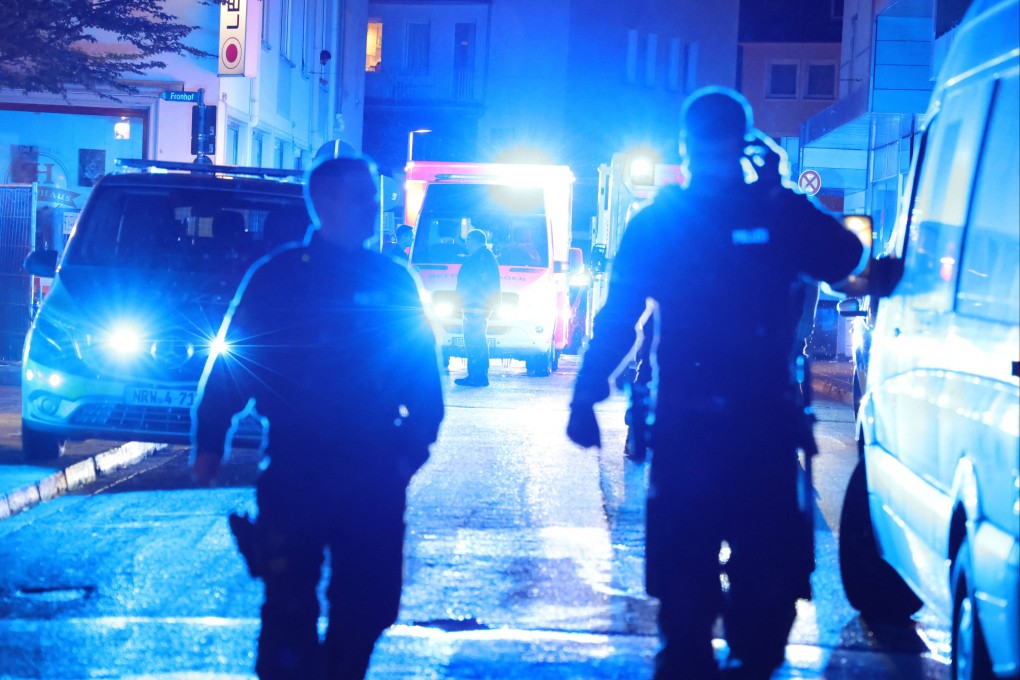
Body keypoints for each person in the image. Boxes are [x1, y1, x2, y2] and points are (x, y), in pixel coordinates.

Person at [566, 87, 867, 679]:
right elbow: (846, 255)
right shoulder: (774, 212)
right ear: (744, 143)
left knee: (687, 595)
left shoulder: (661, 221)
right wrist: (779, 189)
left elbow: (619, 316)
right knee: (763, 596)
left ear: (685, 146)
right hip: (761, 424)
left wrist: (587, 392)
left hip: (692, 423)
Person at [190, 154, 445, 679]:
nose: (373, 208)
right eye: (362, 198)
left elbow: (423, 378)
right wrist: (210, 441)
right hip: (297, 466)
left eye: (374, 198)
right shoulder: (279, 277)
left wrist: (408, 453)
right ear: (325, 203)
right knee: (288, 606)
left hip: (373, 468)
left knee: (372, 604)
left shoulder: (392, 281)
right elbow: (236, 364)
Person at [454, 228, 501, 387]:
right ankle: (476, 374)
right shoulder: (483, 257)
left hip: (476, 306)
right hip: (475, 305)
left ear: (475, 241)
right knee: (475, 339)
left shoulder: (482, 258)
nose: (466, 244)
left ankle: (477, 375)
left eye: (468, 240)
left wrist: (473, 304)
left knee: (475, 339)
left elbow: (480, 284)